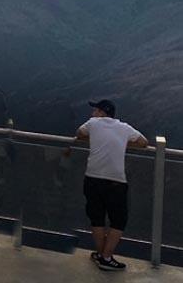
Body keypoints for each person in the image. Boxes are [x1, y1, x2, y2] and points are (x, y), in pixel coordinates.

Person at [75, 99, 147, 271]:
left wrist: (96, 139)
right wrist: (122, 142)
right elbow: (143, 142)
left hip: (92, 178)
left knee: (97, 218)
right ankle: (106, 257)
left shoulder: (93, 124)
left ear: (102, 113)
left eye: (96, 110)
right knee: (118, 220)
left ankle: (102, 255)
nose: (93, 114)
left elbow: (79, 134)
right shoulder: (124, 127)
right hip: (115, 181)